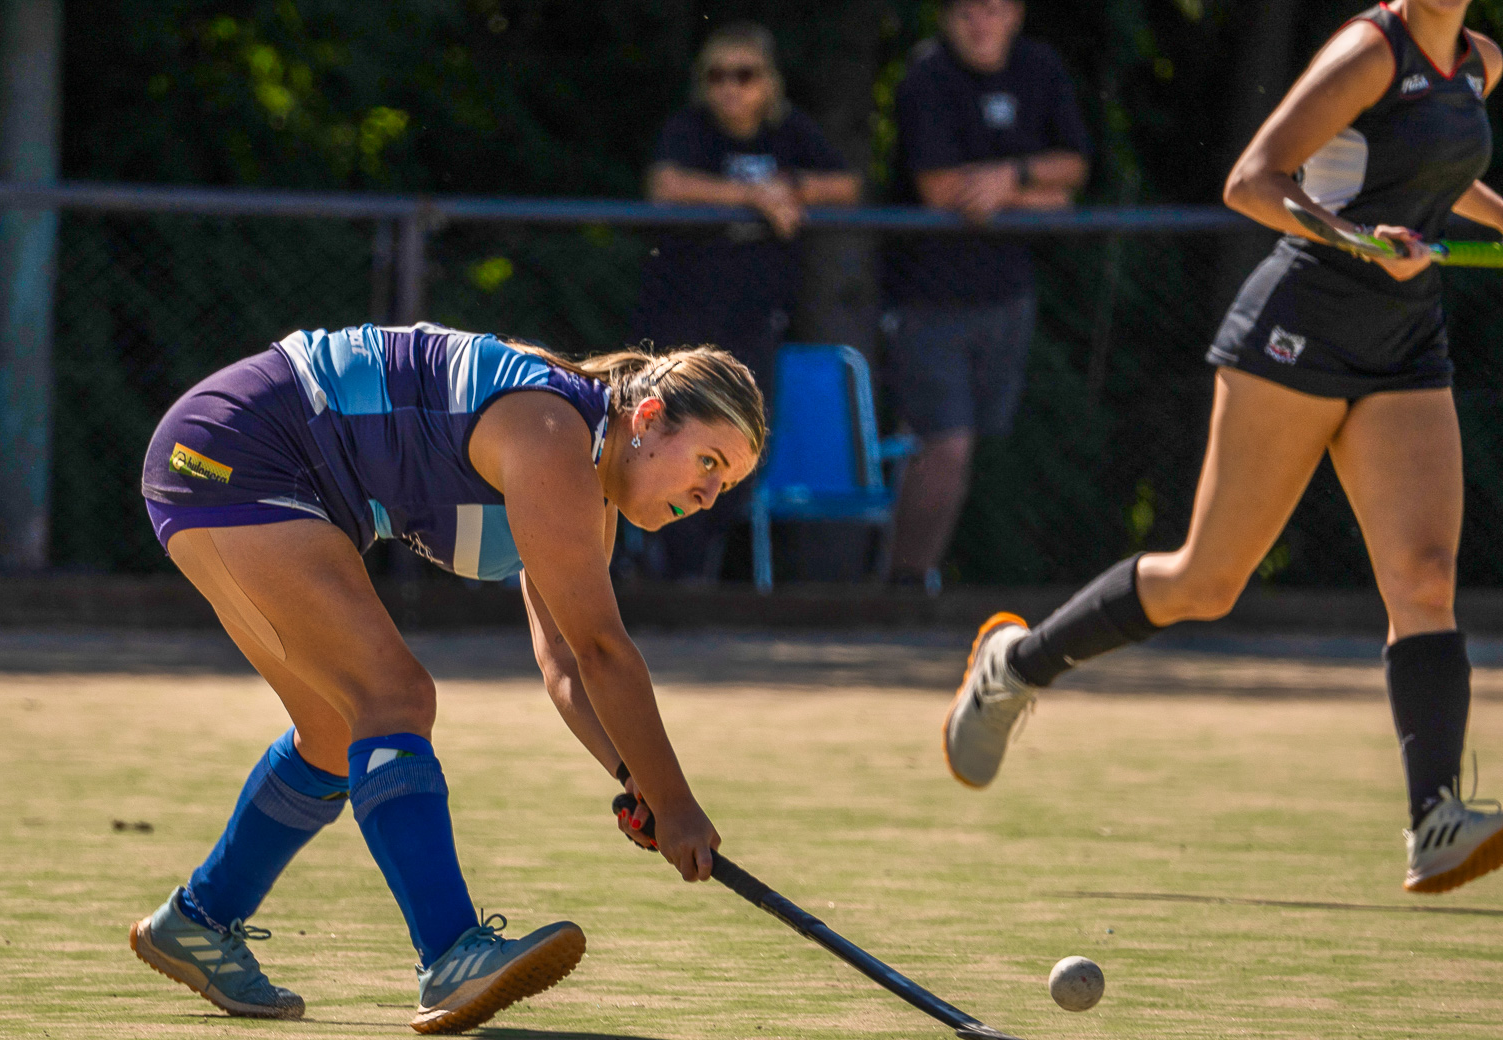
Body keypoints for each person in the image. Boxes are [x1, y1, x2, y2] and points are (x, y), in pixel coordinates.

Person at [942, 0, 1503, 895]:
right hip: (1300, 327)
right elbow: (1255, 180)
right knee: (1206, 579)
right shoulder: (1367, 51)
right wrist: (1361, 238)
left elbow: (1434, 172)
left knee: (1426, 575)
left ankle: (1433, 818)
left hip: (1404, 341)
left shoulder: (1478, 63)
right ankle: (1017, 664)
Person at [130, 323, 765, 1032]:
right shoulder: (554, 431)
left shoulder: (585, 478)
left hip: (222, 456)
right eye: (707, 461)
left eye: (727, 480)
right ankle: (451, 952)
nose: (711, 494)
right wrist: (675, 804)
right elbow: (601, 651)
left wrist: (636, 776)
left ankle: (199, 920)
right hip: (237, 452)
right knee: (393, 697)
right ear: (647, 420)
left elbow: (562, 661)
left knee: (338, 729)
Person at [633, 21, 860, 581]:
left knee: (741, 445)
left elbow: (848, 186)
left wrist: (794, 191)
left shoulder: (790, 133)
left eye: (745, 74)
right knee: (673, 441)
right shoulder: (691, 129)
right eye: (717, 76)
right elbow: (665, 185)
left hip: (754, 324)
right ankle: (663, 562)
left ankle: (695, 565)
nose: (731, 88)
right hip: (681, 326)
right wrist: (754, 197)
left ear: (770, 82)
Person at [879, 0, 1089, 591]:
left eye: (993, 9)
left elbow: (1073, 169)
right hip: (927, 299)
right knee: (943, 447)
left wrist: (1010, 180)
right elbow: (942, 188)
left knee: (973, 452)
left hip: (1008, 296)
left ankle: (924, 577)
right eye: (967, 10)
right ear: (945, 18)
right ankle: (901, 587)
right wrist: (1035, 191)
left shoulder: (1041, 69)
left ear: (1017, 14)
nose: (981, 23)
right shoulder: (926, 77)